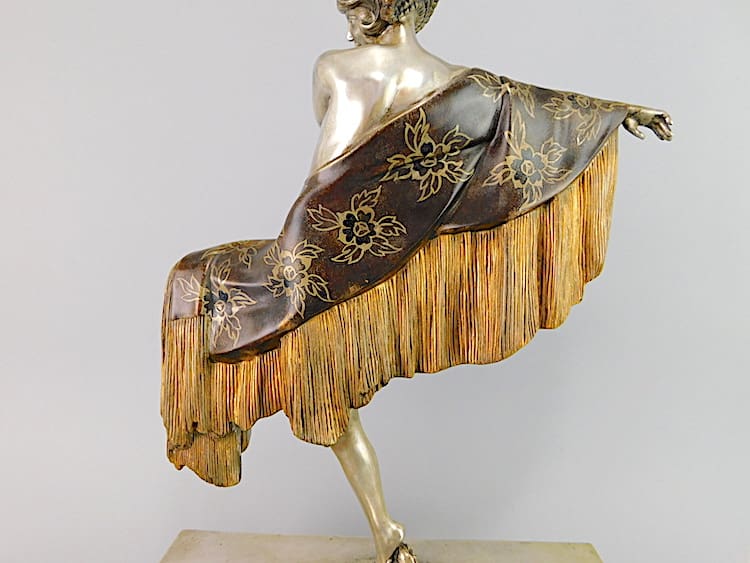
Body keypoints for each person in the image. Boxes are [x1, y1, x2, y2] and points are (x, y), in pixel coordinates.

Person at [161, 1, 672, 561]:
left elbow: (327, 164)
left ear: (382, 8)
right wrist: (619, 115)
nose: (347, 17)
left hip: (317, 249)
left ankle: (385, 528)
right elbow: (543, 111)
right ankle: (386, 532)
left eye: (354, 5)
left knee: (202, 287)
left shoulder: (334, 66)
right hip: (382, 258)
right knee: (330, 396)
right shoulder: (469, 88)